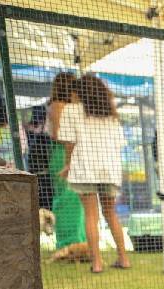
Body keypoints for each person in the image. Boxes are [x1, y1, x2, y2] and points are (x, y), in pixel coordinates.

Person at [58, 74, 130, 274]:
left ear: (78, 93)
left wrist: (67, 165)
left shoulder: (71, 110)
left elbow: (69, 143)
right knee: (111, 213)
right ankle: (124, 258)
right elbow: (119, 145)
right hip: (110, 169)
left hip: (85, 169)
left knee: (91, 214)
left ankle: (97, 263)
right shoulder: (110, 114)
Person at [45, 73, 89, 262]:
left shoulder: (74, 107)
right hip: (63, 153)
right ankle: (67, 242)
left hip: (77, 152)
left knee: (80, 199)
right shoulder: (57, 105)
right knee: (67, 197)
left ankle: (81, 242)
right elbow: (58, 134)